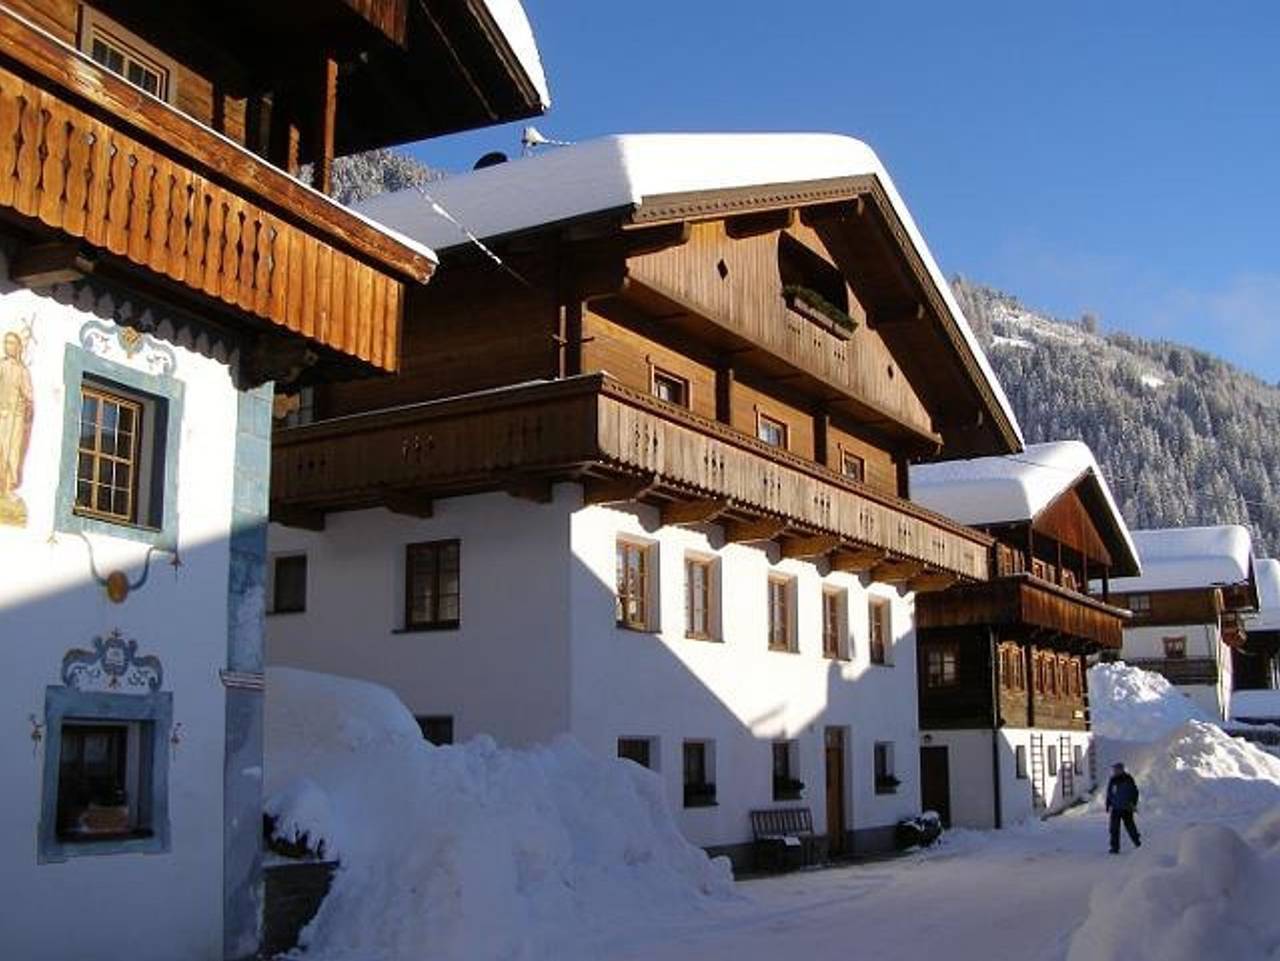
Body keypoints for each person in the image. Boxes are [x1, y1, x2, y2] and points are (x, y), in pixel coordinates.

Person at [1105, 761, 1141, 854]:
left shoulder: (1128, 779)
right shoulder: (1112, 780)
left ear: (1121, 769)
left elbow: (1135, 792)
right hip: (1116, 808)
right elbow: (1109, 793)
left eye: (1116, 769)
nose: (1115, 771)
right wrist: (1108, 804)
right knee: (1114, 829)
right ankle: (1115, 848)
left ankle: (1138, 843)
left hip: (1126, 808)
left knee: (1130, 827)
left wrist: (1133, 803)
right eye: (1114, 769)